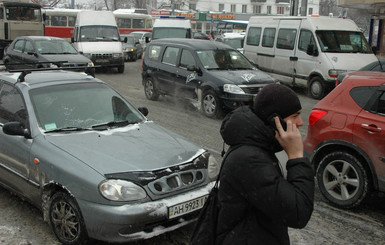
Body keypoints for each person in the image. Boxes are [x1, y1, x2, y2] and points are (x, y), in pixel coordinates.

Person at [215, 83, 315, 245]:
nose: (301, 122)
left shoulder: (259, 145)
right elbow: (299, 213)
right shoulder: (249, 159)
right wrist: (296, 156)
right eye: (295, 115)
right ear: (276, 120)